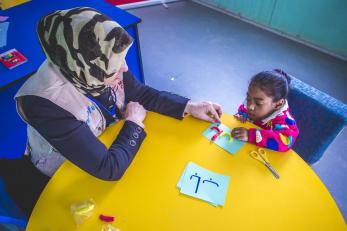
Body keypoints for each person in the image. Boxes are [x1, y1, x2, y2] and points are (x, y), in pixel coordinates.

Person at [14, 7, 222, 183]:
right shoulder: (43, 103)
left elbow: (139, 93)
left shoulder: (97, 61)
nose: (124, 68)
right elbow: (108, 168)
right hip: (64, 173)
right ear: (84, 66)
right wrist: (133, 123)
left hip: (104, 141)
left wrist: (189, 106)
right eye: (115, 65)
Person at [231, 69, 299, 152]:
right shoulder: (249, 104)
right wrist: (241, 115)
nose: (250, 107)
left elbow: (285, 142)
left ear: (278, 104)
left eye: (258, 103)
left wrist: (251, 135)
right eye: (248, 99)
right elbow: (242, 110)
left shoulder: (285, 121)